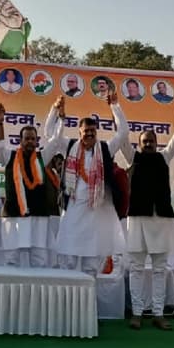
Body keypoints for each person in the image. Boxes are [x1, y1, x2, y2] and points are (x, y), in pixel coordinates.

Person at [121, 97, 174, 330]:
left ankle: (158, 313)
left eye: (151, 141)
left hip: (161, 220)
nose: (148, 144)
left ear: (157, 143)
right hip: (138, 219)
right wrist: (115, 107)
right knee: (137, 269)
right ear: (139, 144)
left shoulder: (164, 157)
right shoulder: (133, 157)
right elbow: (121, 135)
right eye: (145, 141)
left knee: (160, 269)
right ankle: (137, 313)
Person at [44, 93, 129, 276]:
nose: (89, 134)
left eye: (92, 131)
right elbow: (50, 133)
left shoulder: (105, 148)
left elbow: (123, 133)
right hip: (73, 209)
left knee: (91, 261)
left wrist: (115, 106)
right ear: (79, 132)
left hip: (95, 211)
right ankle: (71, 293)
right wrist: (55, 109)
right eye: (86, 131)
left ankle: (90, 292)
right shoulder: (69, 146)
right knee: (69, 259)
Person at [0, 103, 54, 267]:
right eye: (27, 138)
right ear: (20, 140)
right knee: (11, 258)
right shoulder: (9, 156)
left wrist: (56, 113)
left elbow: (56, 140)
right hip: (13, 215)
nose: (30, 142)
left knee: (39, 258)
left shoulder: (43, 157)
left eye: (33, 139)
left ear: (37, 141)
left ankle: (37, 285)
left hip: (38, 216)